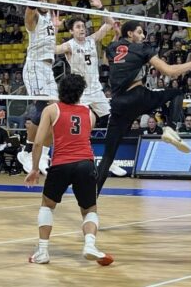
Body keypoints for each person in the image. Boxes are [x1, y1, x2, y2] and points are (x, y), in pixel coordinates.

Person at [97, 20, 191, 194]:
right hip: (139, 97)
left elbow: (106, 61)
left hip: (118, 104)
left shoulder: (111, 48)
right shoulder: (142, 48)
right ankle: (170, 128)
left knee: (108, 157)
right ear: (130, 34)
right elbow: (169, 71)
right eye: (139, 32)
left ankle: (91, 201)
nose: (143, 36)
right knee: (176, 93)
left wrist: (117, 35)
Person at [24, 74, 114, 266]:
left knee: (47, 205)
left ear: (60, 90)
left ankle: (43, 252)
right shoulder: (89, 113)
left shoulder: (51, 110)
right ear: (80, 93)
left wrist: (34, 168)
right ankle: (89, 244)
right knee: (89, 209)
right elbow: (80, 136)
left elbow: (39, 142)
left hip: (61, 163)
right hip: (85, 164)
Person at [46, 0, 126, 177]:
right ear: (71, 31)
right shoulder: (69, 45)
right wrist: (55, 29)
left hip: (96, 90)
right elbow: (52, 49)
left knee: (114, 120)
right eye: (78, 27)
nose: (82, 29)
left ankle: (109, 160)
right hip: (80, 92)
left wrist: (100, 6)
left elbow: (110, 24)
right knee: (77, 128)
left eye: (83, 26)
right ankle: (65, 159)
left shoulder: (92, 40)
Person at [17, 0, 64, 175]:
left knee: (56, 111)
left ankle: (42, 154)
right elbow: (32, 3)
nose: (44, 1)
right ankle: (27, 150)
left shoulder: (49, 14)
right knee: (45, 107)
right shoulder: (32, 18)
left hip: (47, 68)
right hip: (34, 66)